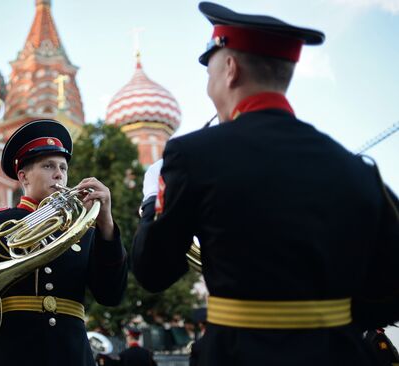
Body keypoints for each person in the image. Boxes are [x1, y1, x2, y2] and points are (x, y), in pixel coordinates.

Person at [132, 2, 399, 366]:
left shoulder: (193, 155)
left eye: (208, 71)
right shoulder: (356, 168)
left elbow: (153, 271)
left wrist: (152, 197)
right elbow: (388, 290)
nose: (208, 84)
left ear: (230, 68)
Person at [0, 119, 128, 366]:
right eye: (48, 166)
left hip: (71, 355)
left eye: (63, 167)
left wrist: (107, 224)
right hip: (8, 354)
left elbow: (111, 295)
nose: (59, 174)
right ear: (23, 176)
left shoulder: (85, 231)